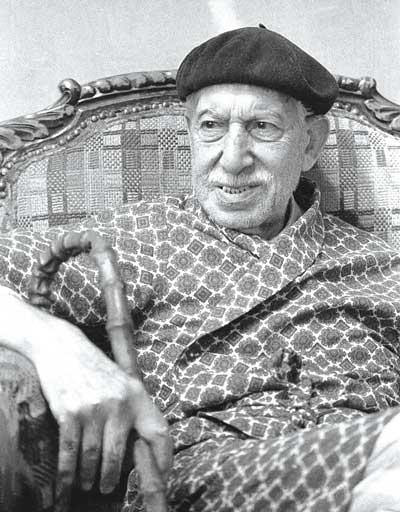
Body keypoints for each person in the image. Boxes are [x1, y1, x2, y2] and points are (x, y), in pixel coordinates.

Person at [0, 25, 400, 512]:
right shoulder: (145, 236)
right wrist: (54, 344)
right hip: (207, 483)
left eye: (262, 127)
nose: (232, 159)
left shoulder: (382, 266)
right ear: (190, 133)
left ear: (312, 144)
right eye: (211, 126)